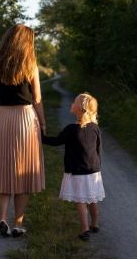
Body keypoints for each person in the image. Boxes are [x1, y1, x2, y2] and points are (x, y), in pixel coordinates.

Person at [0, 24, 46, 238]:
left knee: (4, 171)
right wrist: (42, 123)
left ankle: (2, 219)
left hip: (1, 117)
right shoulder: (30, 64)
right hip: (26, 119)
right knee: (24, 172)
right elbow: (36, 99)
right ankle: (18, 223)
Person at [42, 93, 104, 241]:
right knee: (92, 199)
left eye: (74, 102)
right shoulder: (95, 128)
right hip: (93, 171)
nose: (72, 103)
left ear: (80, 109)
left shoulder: (71, 129)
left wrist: (41, 136)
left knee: (80, 200)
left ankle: (84, 229)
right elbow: (98, 149)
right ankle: (95, 224)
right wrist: (97, 167)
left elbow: (56, 141)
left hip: (77, 171)